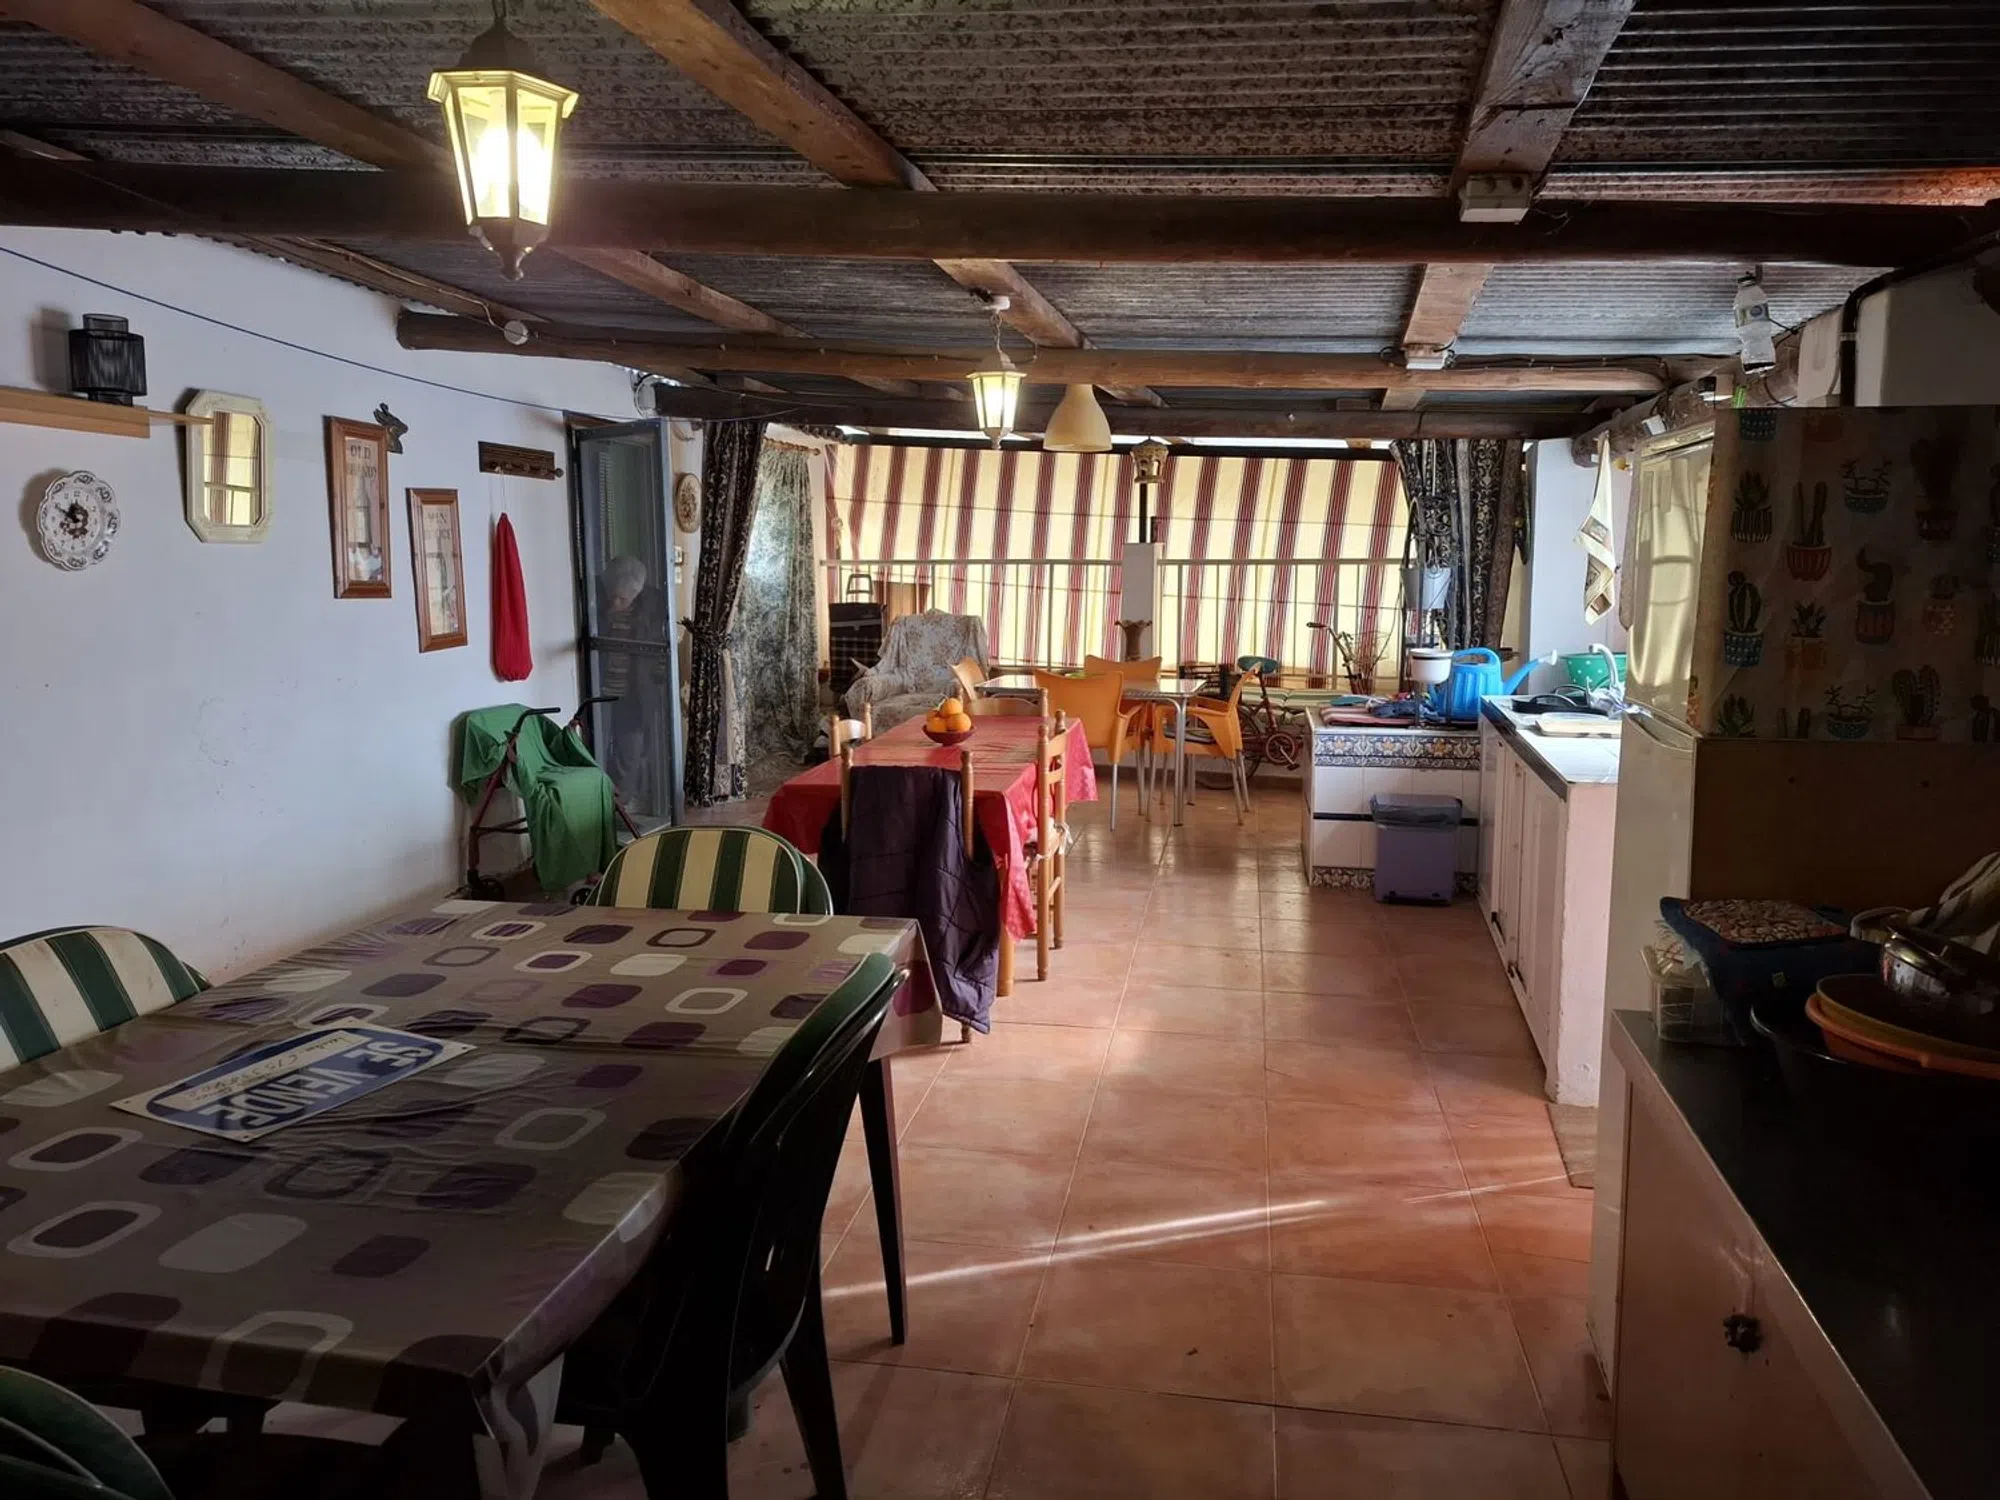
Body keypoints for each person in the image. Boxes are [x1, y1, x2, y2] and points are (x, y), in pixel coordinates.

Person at [599, 556, 666, 815]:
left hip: (634, 695)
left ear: (636, 595)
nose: (615, 604)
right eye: (613, 596)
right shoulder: (596, 599)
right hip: (599, 694)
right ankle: (599, 808)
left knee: (630, 755)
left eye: (622, 599)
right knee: (596, 749)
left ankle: (621, 810)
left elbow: (658, 650)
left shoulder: (652, 607)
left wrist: (658, 681)